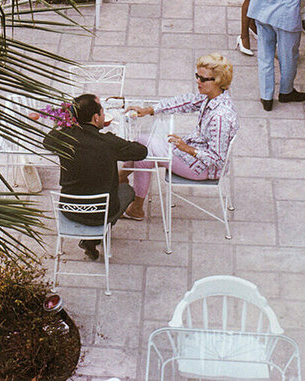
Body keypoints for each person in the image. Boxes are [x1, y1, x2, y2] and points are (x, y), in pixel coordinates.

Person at [120, 54, 239, 221]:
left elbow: (217, 159)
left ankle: (123, 185)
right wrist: (149, 110)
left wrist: (187, 149)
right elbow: (184, 102)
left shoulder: (220, 117)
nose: (198, 81)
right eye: (197, 76)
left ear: (218, 81)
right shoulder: (212, 97)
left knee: (144, 146)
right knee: (144, 149)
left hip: (203, 168)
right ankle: (130, 197)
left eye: (203, 79)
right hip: (192, 155)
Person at [43, 94, 149, 260]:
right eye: (102, 112)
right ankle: (94, 238)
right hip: (100, 213)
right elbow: (142, 152)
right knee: (127, 190)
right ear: (95, 117)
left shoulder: (64, 138)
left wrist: (69, 124)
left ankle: (91, 239)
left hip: (69, 208)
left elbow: (47, 140)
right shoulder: (108, 143)